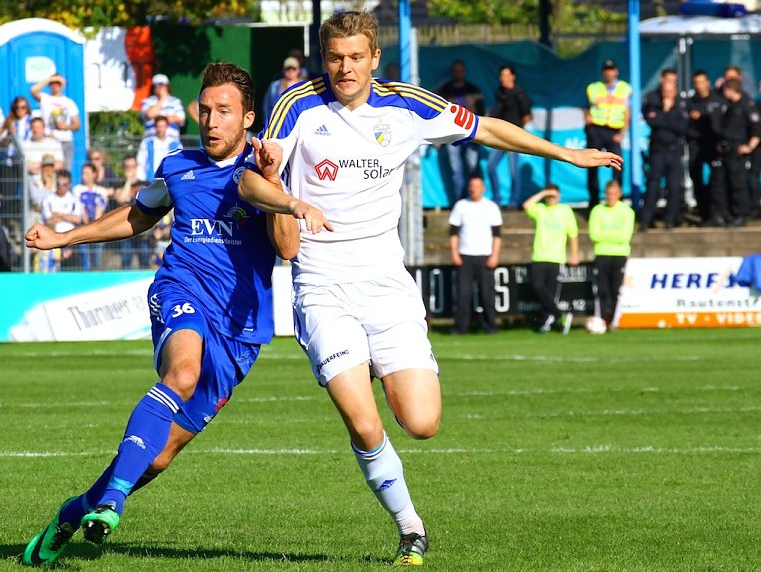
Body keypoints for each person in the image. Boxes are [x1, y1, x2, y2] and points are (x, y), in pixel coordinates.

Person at [238, 10, 620, 565]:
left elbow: (486, 127)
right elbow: (254, 178)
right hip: (322, 283)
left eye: (354, 57)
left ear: (375, 59)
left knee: (422, 422)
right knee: (364, 420)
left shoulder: (409, 104)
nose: (344, 68)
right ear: (325, 58)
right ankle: (410, 526)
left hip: (388, 284)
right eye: (334, 57)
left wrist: (563, 153)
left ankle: (371, 360)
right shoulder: (295, 105)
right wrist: (279, 186)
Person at [20, 62, 299, 567]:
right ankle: (113, 501)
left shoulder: (264, 172)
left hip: (241, 329)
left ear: (249, 118)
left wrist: (277, 186)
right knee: (183, 371)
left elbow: (287, 248)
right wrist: (65, 237)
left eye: (224, 112)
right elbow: (136, 217)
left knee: (161, 454)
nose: (211, 121)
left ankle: (76, 510)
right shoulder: (178, 167)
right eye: (205, 110)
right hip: (181, 288)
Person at [448, 175, 502, 335]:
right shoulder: (461, 206)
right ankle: (461, 327)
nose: (474, 189)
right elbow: (453, 233)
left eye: (477, 186)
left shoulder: (491, 207)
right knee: (463, 294)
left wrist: (495, 255)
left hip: (485, 255)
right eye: (471, 186)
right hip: (465, 255)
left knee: (487, 294)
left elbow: (497, 235)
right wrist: (454, 253)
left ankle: (490, 325)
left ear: (483, 188)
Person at [522, 184, 579, 334]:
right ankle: (561, 315)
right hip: (539, 256)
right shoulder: (540, 210)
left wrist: (574, 255)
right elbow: (526, 205)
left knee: (551, 293)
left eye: (553, 196)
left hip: (556, 257)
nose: (551, 199)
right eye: (549, 196)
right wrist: (543, 193)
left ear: (559, 196)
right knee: (538, 286)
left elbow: (572, 234)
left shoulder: (565, 210)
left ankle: (546, 322)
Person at [639, 69, 688, 231]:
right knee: (653, 186)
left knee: (674, 187)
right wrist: (666, 111)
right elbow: (652, 122)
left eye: (673, 84)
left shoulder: (680, 102)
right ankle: (646, 220)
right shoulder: (652, 99)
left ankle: (669, 221)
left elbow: (682, 127)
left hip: (674, 150)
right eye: (667, 83)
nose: (669, 89)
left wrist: (664, 117)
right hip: (658, 150)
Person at [584, 58, 631, 210]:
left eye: (611, 69)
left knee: (617, 165)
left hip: (613, 131)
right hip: (596, 129)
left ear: (616, 71)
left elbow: (627, 112)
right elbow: (585, 106)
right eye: (606, 70)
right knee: (591, 164)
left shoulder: (625, 88)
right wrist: (587, 117)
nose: (609, 72)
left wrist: (623, 131)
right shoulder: (594, 87)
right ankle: (594, 201)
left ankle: (617, 200)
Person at [435, 60, 485, 200]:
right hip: (452, 135)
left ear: (465, 72)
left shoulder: (473, 90)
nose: (458, 73)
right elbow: (437, 113)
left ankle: (475, 200)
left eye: (461, 70)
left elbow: (481, 112)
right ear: (452, 72)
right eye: (456, 70)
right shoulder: (445, 90)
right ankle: (459, 201)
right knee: (456, 171)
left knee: (473, 169)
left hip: (472, 135)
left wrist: (481, 133)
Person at [588, 180, 634, 329]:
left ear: (619, 194)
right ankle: (601, 320)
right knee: (602, 290)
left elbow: (624, 237)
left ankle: (613, 321)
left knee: (615, 289)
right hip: (602, 254)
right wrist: (614, 234)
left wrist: (605, 234)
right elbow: (594, 235)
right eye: (609, 193)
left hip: (619, 255)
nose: (611, 197)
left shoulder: (627, 211)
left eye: (614, 193)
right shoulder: (597, 210)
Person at [486, 64, 532, 208]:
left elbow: (527, 116)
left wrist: (518, 132)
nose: (503, 79)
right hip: (499, 136)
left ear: (513, 77)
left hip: (513, 137)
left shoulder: (519, 93)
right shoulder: (499, 92)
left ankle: (514, 200)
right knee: (490, 166)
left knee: (513, 170)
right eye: (501, 76)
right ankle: (496, 198)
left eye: (506, 76)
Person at [716, 78, 760, 228]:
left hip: (738, 151)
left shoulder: (746, 105)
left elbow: (756, 129)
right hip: (727, 150)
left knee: (738, 185)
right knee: (722, 183)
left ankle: (741, 214)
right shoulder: (729, 105)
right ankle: (727, 213)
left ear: (731, 89)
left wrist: (749, 147)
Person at [687, 70, 726, 226]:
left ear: (707, 82)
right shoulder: (690, 103)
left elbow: (725, 123)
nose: (699, 86)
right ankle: (705, 214)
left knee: (717, 180)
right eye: (696, 83)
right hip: (696, 144)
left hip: (714, 145)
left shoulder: (719, 100)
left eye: (702, 82)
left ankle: (719, 213)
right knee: (697, 179)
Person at [37, 169, 83, 272]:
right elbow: (48, 221)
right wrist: (67, 216)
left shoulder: (74, 200)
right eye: (58, 184)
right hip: (53, 240)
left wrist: (59, 215)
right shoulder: (48, 199)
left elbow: (77, 219)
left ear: (69, 184)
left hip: (70, 240)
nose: (61, 187)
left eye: (64, 184)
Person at [31, 74, 80, 167]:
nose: (55, 85)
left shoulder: (69, 102)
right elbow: (33, 90)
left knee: (64, 171)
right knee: (48, 168)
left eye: (58, 83)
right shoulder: (45, 99)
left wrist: (66, 126)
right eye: (53, 83)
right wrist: (51, 78)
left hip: (65, 140)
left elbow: (77, 124)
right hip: (50, 139)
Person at [72, 162, 109, 270]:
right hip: (82, 225)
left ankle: (96, 271)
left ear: (94, 174)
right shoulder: (77, 189)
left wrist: (95, 223)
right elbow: (79, 206)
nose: (84, 176)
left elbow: (101, 207)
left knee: (97, 252)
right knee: (84, 254)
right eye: (83, 173)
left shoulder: (102, 190)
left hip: (98, 226)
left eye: (87, 173)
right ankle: (86, 272)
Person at [136, 116, 181, 183]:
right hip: (150, 181)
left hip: (170, 181)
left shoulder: (175, 143)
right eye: (159, 126)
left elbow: (179, 163)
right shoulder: (147, 143)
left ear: (167, 126)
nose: (161, 129)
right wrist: (142, 180)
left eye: (163, 126)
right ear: (155, 127)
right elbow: (141, 162)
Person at [262, 56, 307, 123]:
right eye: (288, 69)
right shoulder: (274, 86)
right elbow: (267, 105)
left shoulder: (305, 86)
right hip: (278, 123)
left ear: (299, 70)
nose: (290, 71)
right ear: (283, 70)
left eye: (293, 69)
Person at [141, 73, 185, 139]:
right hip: (151, 141)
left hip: (172, 142)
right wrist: (162, 99)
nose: (158, 88)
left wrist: (158, 118)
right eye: (156, 85)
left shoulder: (176, 101)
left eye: (161, 85)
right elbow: (149, 114)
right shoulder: (147, 101)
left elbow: (180, 118)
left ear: (167, 86)